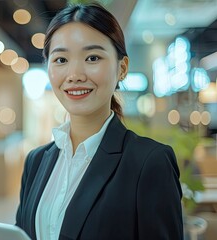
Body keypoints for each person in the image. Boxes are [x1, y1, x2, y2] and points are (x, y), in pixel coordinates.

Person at [15, 2, 183, 240]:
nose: (75, 75)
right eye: (61, 60)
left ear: (122, 68)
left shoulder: (149, 162)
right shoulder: (36, 161)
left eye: (92, 57)